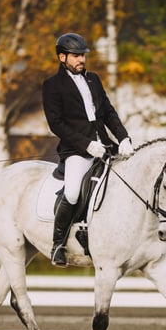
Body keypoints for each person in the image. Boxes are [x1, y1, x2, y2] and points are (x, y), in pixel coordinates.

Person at [42, 32, 134, 267]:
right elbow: (57, 124)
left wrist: (123, 138)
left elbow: (109, 113)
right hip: (76, 150)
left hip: (105, 147)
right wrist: (86, 144)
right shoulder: (52, 85)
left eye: (82, 55)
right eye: (75, 56)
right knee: (72, 192)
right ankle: (58, 244)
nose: (81, 59)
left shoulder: (93, 79)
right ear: (62, 57)